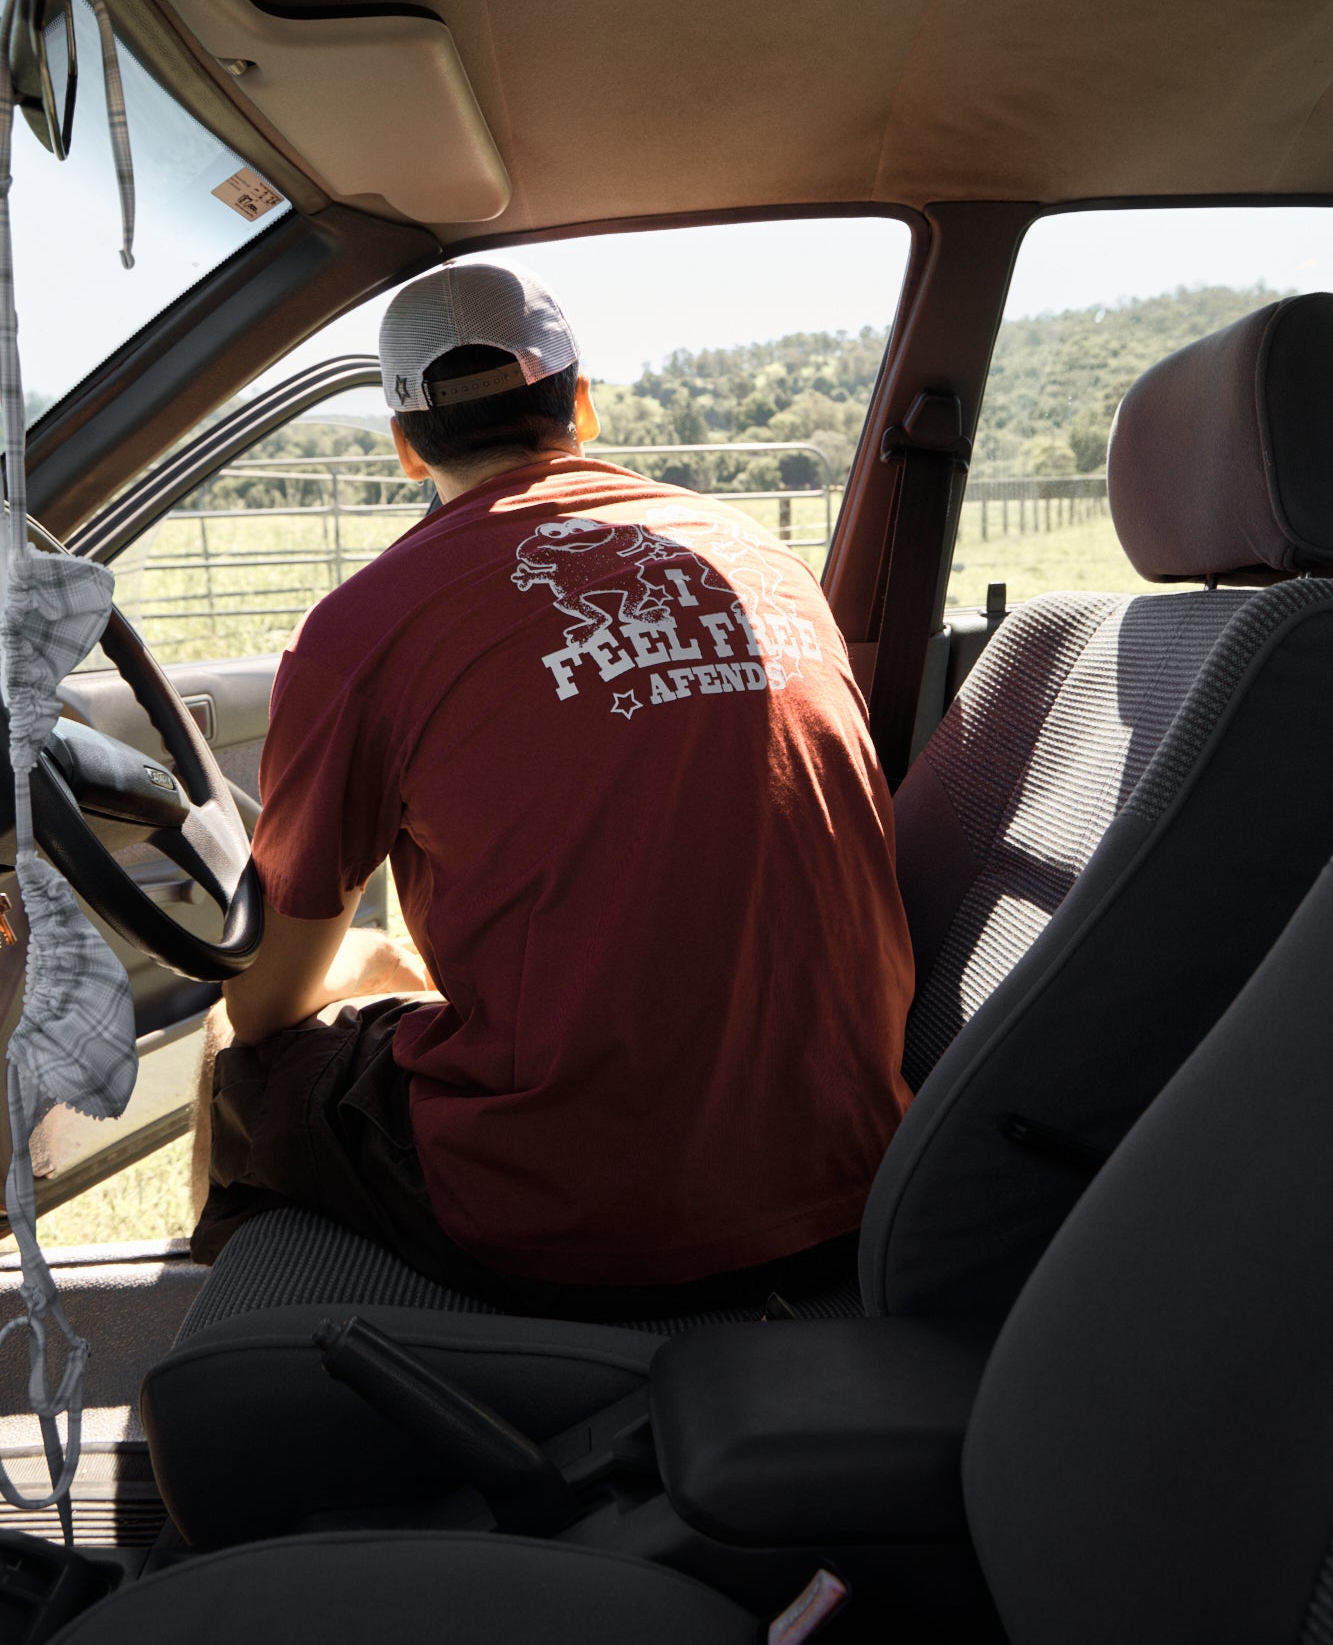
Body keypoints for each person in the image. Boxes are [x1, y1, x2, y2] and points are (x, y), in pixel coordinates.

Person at [192, 259, 915, 1319]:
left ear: (403, 444)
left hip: (581, 1216)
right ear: (580, 401)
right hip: (860, 1173)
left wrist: (342, 966)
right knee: (395, 972)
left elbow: (266, 1001)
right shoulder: (766, 560)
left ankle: (265, 1401)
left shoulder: (363, 624)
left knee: (238, 1056)